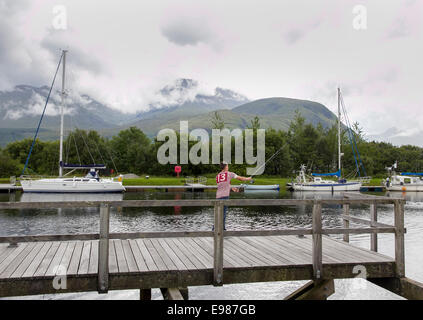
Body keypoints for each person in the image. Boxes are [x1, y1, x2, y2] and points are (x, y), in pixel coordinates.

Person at [214, 161, 252, 230]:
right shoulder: (230, 174)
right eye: (227, 166)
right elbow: (240, 178)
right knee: (223, 214)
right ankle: (223, 230)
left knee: (218, 214)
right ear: (225, 167)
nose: (228, 167)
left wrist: (231, 188)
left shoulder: (218, 176)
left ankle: (214, 229)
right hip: (225, 196)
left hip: (218, 197)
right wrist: (248, 179)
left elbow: (222, 185)